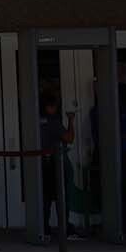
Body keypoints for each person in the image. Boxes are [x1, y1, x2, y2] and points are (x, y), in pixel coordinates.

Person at [40, 91, 79, 240]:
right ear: (50, 107)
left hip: (42, 162)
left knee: (46, 198)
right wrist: (71, 121)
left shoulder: (36, 121)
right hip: (57, 162)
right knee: (62, 197)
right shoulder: (53, 122)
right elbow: (69, 138)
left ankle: (44, 228)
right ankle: (64, 228)